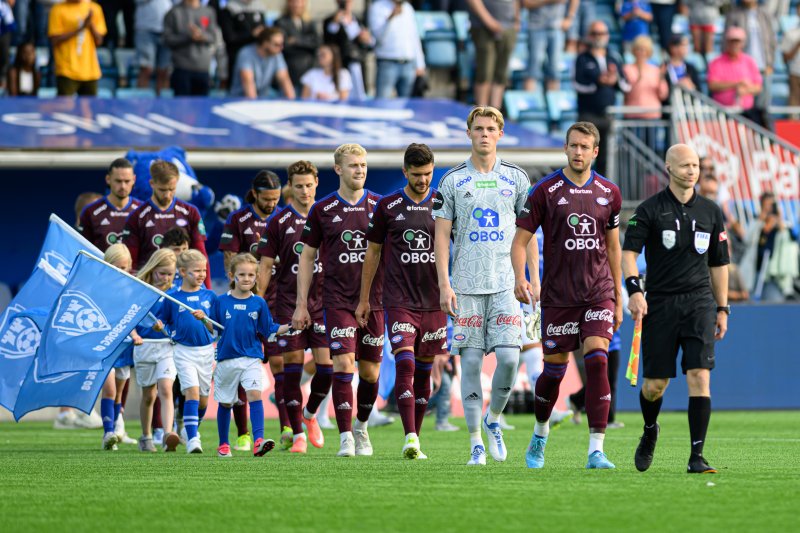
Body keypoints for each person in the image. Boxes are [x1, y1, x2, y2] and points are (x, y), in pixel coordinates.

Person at [512, 121, 623, 470]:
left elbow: (613, 247)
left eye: (584, 146)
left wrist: (617, 293)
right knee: (553, 373)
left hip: (598, 293)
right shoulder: (545, 190)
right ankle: (541, 432)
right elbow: (520, 241)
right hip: (559, 297)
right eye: (573, 145)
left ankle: (596, 449)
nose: (578, 152)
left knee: (598, 359)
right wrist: (521, 277)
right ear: (566, 148)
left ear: (595, 152)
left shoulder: (609, 192)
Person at [622, 143, 729, 474]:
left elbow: (719, 264)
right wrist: (634, 291)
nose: (692, 171)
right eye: (685, 165)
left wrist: (722, 308)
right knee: (655, 385)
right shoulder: (650, 209)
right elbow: (628, 254)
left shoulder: (711, 211)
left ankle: (697, 456)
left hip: (699, 303)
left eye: (695, 165)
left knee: (699, 375)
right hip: (661, 304)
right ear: (668, 168)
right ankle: (650, 429)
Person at [432, 106, 530, 466]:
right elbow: (441, 238)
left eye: (491, 128)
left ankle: (493, 419)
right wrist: (445, 284)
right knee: (470, 362)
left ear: (500, 134)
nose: (484, 134)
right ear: (469, 133)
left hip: (505, 284)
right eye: (479, 128)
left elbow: (528, 234)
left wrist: (528, 277)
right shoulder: (453, 180)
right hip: (467, 287)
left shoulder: (517, 179)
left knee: (509, 358)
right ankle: (475, 442)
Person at [293, 143, 384, 458]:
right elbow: (307, 257)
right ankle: (345, 436)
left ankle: (361, 426)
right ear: (338, 170)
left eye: (363, 164)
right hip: (337, 301)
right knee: (343, 364)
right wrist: (302, 304)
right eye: (353, 165)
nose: (359, 169)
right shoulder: (323, 209)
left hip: (375, 302)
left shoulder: (380, 205)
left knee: (370, 373)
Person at [356, 143, 445, 460]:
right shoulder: (388, 205)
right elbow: (373, 253)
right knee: (405, 362)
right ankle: (410, 438)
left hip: (435, 303)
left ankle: (415, 436)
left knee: (424, 372)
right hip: (399, 300)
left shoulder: (444, 203)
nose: (423, 180)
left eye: (428, 174)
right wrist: (365, 298)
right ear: (405, 172)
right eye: (417, 174)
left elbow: (457, 250)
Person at [257, 160, 331, 454]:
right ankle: (298, 434)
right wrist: (258, 304)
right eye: (298, 186)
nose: (304, 191)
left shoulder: (329, 214)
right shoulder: (278, 222)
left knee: (327, 368)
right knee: (292, 371)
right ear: (291, 187)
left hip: (325, 302)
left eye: (309, 185)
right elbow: (264, 266)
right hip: (288, 303)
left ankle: (310, 414)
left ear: (316, 184)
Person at [198, 252, 290, 458]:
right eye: (242, 274)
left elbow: (269, 329)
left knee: (255, 394)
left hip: (252, 359)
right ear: (232, 276)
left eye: (251, 275)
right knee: (226, 403)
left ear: (256, 277)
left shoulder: (259, 303)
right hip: (226, 360)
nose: (246, 278)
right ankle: (223, 444)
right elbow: (214, 330)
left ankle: (258, 441)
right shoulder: (221, 302)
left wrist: (291, 326)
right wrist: (203, 319)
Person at [219, 170, 282, 450]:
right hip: (249, 300)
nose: (271, 204)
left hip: (280, 298)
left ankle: (286, 429)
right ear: (254, 194)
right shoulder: (238, 219)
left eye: (276, 199)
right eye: (267, 199)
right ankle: (244, 433)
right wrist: (241, 294)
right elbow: (230, 259)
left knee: (276, 362)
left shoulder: (282, 217)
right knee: (242, 363)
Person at [160, 250, 217, 454]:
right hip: (183, 351)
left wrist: (205, 319)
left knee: (203, 400)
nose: (202, 274)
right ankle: (193, 439)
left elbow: (216, 328)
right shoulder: (173, 298)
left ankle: (188, 430)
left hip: (206, 351)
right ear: (182, 272)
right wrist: (164, 329)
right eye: (196, 271)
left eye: (204, 270)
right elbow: (164, 320)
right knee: (191, 392)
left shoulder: (210, 296)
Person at [122, 159, 210, 287]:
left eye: (172, 189)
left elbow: (201, 257)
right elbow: (131, 262)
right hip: (151, 289)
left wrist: (207, 291)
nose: (167, 195)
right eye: (162, 190)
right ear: (152, 184)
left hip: (184, 289)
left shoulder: (190, 212)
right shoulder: (137, 217)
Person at [133, 248, 180, 453]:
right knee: (149, 396)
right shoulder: (140, 290)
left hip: (167, 348)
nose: (166, 278)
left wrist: (167, 330)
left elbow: (176, 322)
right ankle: (146, 436)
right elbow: (129, 319)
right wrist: (136, 335)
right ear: (152, 270)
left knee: (166, 389)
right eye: (162, 273)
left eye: (171, 274)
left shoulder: (175, 293)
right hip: (145, 347)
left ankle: (168, 433)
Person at [100, 243, 144, 450]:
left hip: (124, 347)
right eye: (118, 267)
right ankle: (108, 432)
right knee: (108, 389)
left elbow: (132, 319)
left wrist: (135, 335)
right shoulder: (98, 287)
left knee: (118, 393)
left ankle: (116, 427)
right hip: (105, 346)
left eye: (125, 268)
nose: (122, 272)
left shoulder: (132, 289)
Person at [574, 20, 630, 176]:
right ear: (589, 36)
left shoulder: (615, 57)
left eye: (602, 33)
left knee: (604, 157)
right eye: (595, 33)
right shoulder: (582, 58)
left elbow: (626, 85)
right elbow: (578, 84)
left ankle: (600, 194)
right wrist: (599, 81)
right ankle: (581, 191)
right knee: (584, 156)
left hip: (608, 115)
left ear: (608, 36)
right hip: (588, 115)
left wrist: (615, 79)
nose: (598, 37)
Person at [163, 0, 227, 96]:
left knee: (201, 107)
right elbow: (167, 39)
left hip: (203, 68)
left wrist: (201, 36)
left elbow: (213, 37)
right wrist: (188, 37)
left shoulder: (209, 11)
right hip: (181, 67)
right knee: (182, 107)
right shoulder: (174, 12)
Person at [79, 158, 142, 252]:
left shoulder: (144, 211)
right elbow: (83, 251)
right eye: (118, 181)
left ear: (134, 179)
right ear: (108, 179)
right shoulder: (90, 212)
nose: (123, 186)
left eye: (127, 181)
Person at [466, 0, 519, 109]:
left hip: (508, 26)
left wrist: (517, 20)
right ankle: (481, 112)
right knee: (485, 72)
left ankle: (495, 114)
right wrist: (488, 21)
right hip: (483, 26)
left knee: (501, 74)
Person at [725, 0, 777, 111]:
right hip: (743, 70)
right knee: (745, 109)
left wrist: (770, 64)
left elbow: (772, 41)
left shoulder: (765, 14)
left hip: (763, 67)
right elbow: (728, 40)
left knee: (763, 108)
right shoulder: (734, 13)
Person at [368, 0, 425, 99]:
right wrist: (390, 19)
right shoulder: (377, 7)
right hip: (387, 63)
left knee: (406, 105)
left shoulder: (408, 8)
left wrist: (420, 63)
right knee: (382, 103)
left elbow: (414, 37)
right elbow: (377, 38)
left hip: (408, 64)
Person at [48, 0, 106, 96]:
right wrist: (80, 28)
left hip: (90, 70)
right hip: (66, 69)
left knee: (89, 109)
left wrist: (90, 25)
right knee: (65, 107)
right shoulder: (58, 9)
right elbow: (54, 39)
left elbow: (99, 41)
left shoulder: (95, 8)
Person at [323, 0, 373, 101]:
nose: (346, 3)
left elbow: (369, 46)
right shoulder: (330, 21)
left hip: (358, 66)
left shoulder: (359, 21)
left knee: (361, 98)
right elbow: (328, 42)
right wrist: (335, 23)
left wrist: (367, 39)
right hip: (340, 67)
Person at [229, 26, 296, 99]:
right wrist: (255, 107)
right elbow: (248, 83)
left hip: (262, 99)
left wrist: (293, 103)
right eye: (277, 44)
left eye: (282, 44)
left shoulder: (277, 55)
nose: (281, 48)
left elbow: (285, 80)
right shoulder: (246, 53)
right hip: (239, 99)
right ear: (265, 43)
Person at [707, 27, 762, 114]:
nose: (734, 45)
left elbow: (758, 87)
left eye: (737, 42)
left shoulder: (749, 61)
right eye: (732, 41)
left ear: (743, 43)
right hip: (722, 111)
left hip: (746, 112)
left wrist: (746, 90)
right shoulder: (716, 62)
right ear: (727, 43)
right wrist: (736, 84)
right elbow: (712, 85)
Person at [522, 0, 573, 94]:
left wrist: (569, 17)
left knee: (554, 70)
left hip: (557, 27)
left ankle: (554, 104)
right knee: (533, 69)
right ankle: (532, 102)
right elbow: (526, 3)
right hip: (535, 27)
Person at [217, 0, 267, 85]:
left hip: (257, 58)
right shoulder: (229, 9)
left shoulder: (260, 8)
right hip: (235, 58)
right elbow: (229, 38)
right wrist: (251, 35)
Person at [274, 0, 319, 92]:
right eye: (293, 2)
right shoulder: (280, 22)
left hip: (309, 68)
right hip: (291, 71)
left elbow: (317, 42)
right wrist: (307, 42)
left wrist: (296, 41)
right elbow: (285, 45)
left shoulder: (309, 22)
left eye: (299, 2)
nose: (296, 5)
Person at [622, 35, 669, 119]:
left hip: (652, 114)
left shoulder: (655, 70)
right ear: (634, 51)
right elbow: (625, 91)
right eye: (638, 49)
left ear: (648, 52)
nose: (641, 52)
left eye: (644, 50)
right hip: (633, 114)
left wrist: (662, 78)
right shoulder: (626, 69)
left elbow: (663, 95)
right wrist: (637, 80)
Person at [133, 0, 173, 93]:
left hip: (166, 30)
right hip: (145, 29)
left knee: (164, 71)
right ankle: (141, 104)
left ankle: (163, 105)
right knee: (146, 69)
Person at [782, 3, 800, 109]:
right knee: (793, 109)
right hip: (795, 73)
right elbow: (785, 58)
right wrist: (797, 45)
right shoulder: (790, 33)